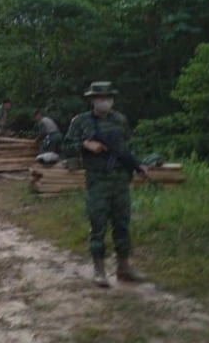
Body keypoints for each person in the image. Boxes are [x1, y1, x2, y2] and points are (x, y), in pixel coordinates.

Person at [63, 82, 149, 288]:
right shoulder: (81, 122)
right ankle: (99, 270)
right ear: (93, 100)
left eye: (108, 97)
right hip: (98, 181)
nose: (105, 101)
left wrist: (139, 166)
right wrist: (85, 144)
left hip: (120, 180)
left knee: (122, 223)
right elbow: (66, 146)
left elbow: (126, 148)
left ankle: (124, 268)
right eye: (101, 98)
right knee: (98, 223)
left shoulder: (120, 120)